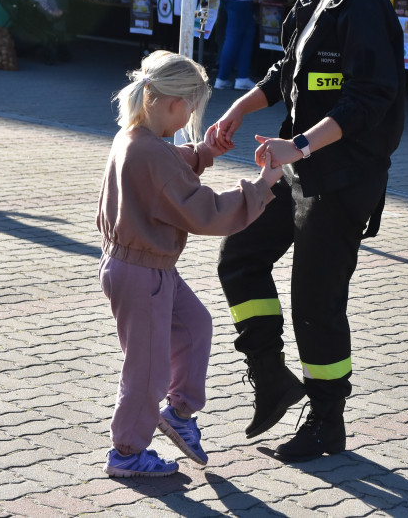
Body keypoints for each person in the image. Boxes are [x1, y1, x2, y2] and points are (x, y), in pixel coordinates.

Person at [211, 0, 405, 462]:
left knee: (316, 302)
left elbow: (366, 102)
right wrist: (237, 110)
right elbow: (289, 70)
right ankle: (272, 379)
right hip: (303, 166)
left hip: (344, 176)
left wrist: (298, 144)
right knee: (239, 258)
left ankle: (327, 421)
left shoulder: (366, 5)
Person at [97, 51, 283, 478]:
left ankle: (180, 413)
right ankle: (126, 452)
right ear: (171, 103)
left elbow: (168, 166)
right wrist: (262, 187)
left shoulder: (135, 138)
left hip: (142, 266)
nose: (189, 119)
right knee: (146, 369)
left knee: (195, 325)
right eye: (191, 109)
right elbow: (208, 212)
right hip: (142, 272)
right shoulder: (150, 153)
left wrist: (203, 152)